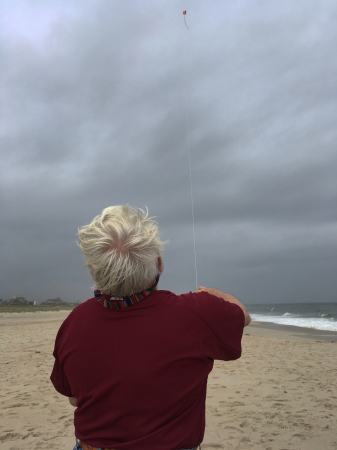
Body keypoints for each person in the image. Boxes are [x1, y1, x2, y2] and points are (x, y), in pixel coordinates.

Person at [50, 205, 251, 450]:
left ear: (94, 270)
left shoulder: (75, 321)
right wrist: (216, 295)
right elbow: (242, 315)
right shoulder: (196, 313)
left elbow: (72, 398)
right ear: (159, 263)